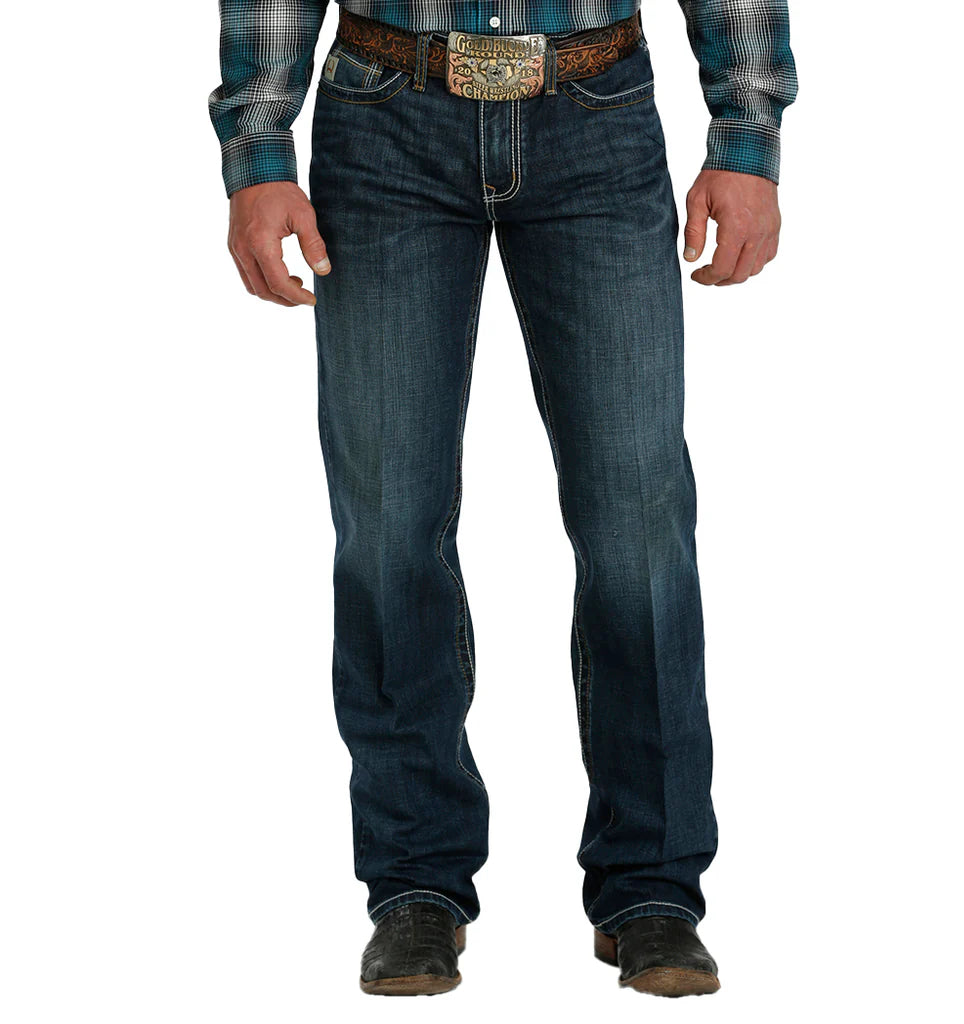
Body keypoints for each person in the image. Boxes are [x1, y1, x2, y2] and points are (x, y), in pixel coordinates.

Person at [208, 0, 796, 998]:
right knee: (389, 527)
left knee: (636, 525)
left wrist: (747, 136)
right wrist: (258, 152)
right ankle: (413, 885)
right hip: (385, 115)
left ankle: (652, 887)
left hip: (596, 111)